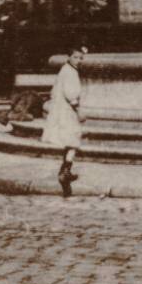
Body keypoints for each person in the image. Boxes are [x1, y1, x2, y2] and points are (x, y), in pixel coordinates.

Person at [42, 44, 88, 197]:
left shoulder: (66, 70)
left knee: (69, 141)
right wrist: (79, 111)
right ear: (69, 57)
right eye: (75, 57)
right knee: (73, 140)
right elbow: (70, 94)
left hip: (62, 110)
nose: (78, 60)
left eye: (81, 58)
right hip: (67, 111)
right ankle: (65, 171)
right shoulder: (70, 73)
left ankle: (65, 173)